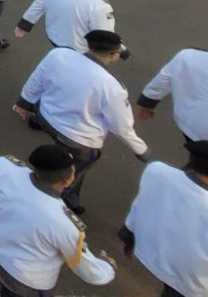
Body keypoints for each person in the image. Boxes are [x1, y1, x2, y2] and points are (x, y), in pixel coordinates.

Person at [14, 29, 147, 213]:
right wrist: (139, 149)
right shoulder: (113, 87)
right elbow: (121, 125)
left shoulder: (59, 54)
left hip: (47, 118)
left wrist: (24, 101)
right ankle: (57, 200)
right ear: (113, 54)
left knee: (61, 155)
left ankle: (62, 191)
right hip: (79, 139)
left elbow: (37, 78)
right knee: (71, 172)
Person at [0, 145, 116, 294]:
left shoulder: (4, 166)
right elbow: (85, 267)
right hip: (26, 279)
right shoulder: (63, 222)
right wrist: (107, 268)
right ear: (67, 181)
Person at [120, 138, 208, 297]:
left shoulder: (156, 171)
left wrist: (128, 237)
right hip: (191, 285)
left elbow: (139, 204)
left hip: (153, 256)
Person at [137, 27, 208, 154]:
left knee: (198, 155)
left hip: (184, 123)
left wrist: (147, 104)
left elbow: (164, 78)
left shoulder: (187, 56)